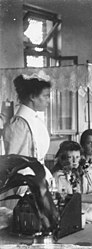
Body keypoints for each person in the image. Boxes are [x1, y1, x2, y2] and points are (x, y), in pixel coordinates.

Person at [2, 73, 53, 208]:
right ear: (32, 97)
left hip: (38, 181)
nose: (49, 100)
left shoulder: (34, 120)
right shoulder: (19, 125)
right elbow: (16, 162)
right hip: (25, 187)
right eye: (45, 96)